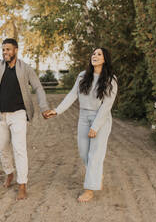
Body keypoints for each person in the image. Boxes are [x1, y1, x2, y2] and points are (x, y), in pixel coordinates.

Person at [0, 38, 51, 200]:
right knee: (3, 147)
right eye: (3, 50)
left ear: (16, 50)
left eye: (8, 49)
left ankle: (22, 184)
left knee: (19, 149)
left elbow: (38, 87)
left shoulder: (26, 68)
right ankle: (9, 173)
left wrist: (44, 108)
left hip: (18, 114)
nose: (5, 52)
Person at [45, 48, 117, 202]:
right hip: (84, 117)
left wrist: (95, 127)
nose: (95, 56)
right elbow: (72, 95)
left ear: (105, 59)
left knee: (95, 155)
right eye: (93, 54)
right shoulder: (82, 76)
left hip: (101, 119)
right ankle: (96, 174)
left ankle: (89, 190)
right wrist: (56, 111)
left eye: (99, 54)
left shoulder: (111, 79)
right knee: (84, 153)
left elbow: (107, 106)